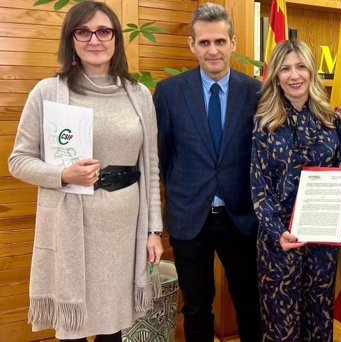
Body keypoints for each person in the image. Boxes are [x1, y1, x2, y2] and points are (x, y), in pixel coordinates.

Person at [7, 1, 163, 341]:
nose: (95, 40)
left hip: (123, 228)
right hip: (71, 227)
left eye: (104, 31)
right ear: (71, 39)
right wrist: (63, 175)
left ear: (116, 38)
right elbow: (18, 161)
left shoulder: (138, 95)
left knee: (113, 326)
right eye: (84, 31)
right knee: (74, 326)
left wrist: (154, 230)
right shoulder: (48, 92)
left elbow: (150, 168)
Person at [153, 3, 261, 341]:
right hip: (189, 216)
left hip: (241, 216)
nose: (212, 50)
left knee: (249, 301)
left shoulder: (256, 91)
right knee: (197, 307)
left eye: (219, 41)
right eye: (204, 43)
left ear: (233, 42)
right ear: (191, 45)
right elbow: (162, 155)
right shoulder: (170, 92)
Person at [250, 39, 341, 341]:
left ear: (311, 71)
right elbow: (258, 186)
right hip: (280, 241)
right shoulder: (265, 123)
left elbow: (338, 156)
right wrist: (278, 233)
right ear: (275, 75)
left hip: (320, 237)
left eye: (300, 66)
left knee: (319, 319)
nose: (294, 75)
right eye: (285, 68)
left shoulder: (329, 119)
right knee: (281, 325)